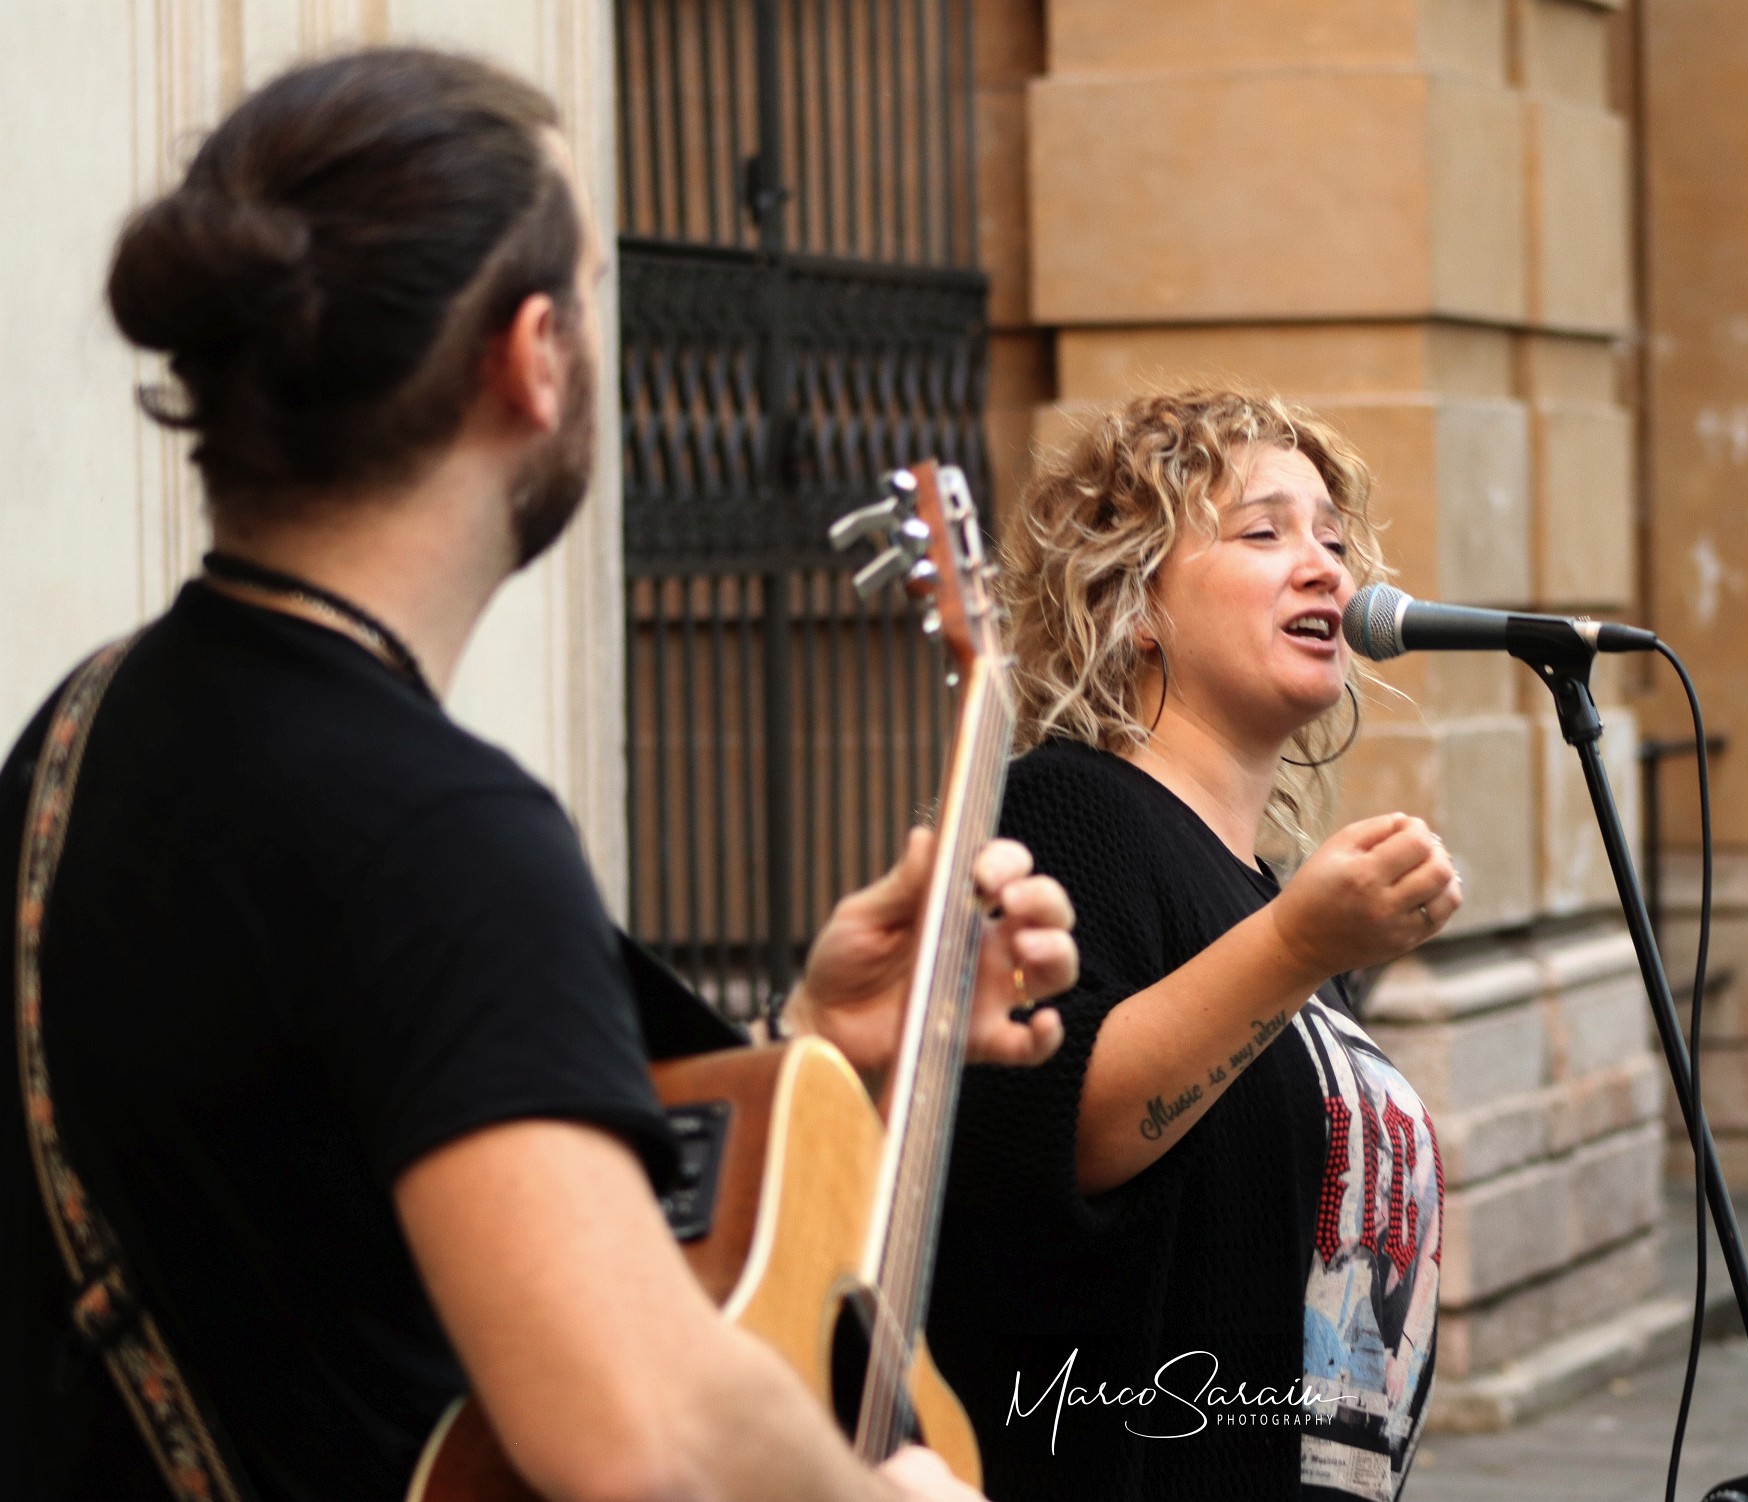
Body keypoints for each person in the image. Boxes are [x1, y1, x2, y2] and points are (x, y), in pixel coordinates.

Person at [0, 48, 1080, 1502]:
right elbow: (638, 1429)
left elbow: (317, 1193)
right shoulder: (437, 830)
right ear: (533, 355)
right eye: (590, 288)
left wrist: (801, 1039)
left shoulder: (86, 727)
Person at [928, 390, 1466, 1502]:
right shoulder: (1067, 810)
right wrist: (1300, 943)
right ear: (1135, 605)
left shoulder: (1254, 891)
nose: (1323, 567)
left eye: (1330, 535)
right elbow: (1064, 1128)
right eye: (1263, 531)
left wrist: (1300, 937)